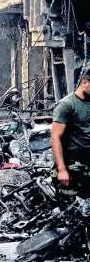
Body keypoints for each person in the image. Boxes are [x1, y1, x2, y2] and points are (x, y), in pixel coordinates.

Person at [51, 68, 90, 201]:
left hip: (87, 165)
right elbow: (56, 137)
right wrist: (62, 169)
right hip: (72, 167)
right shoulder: (66, 105)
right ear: (85, 83)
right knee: (69, 211)